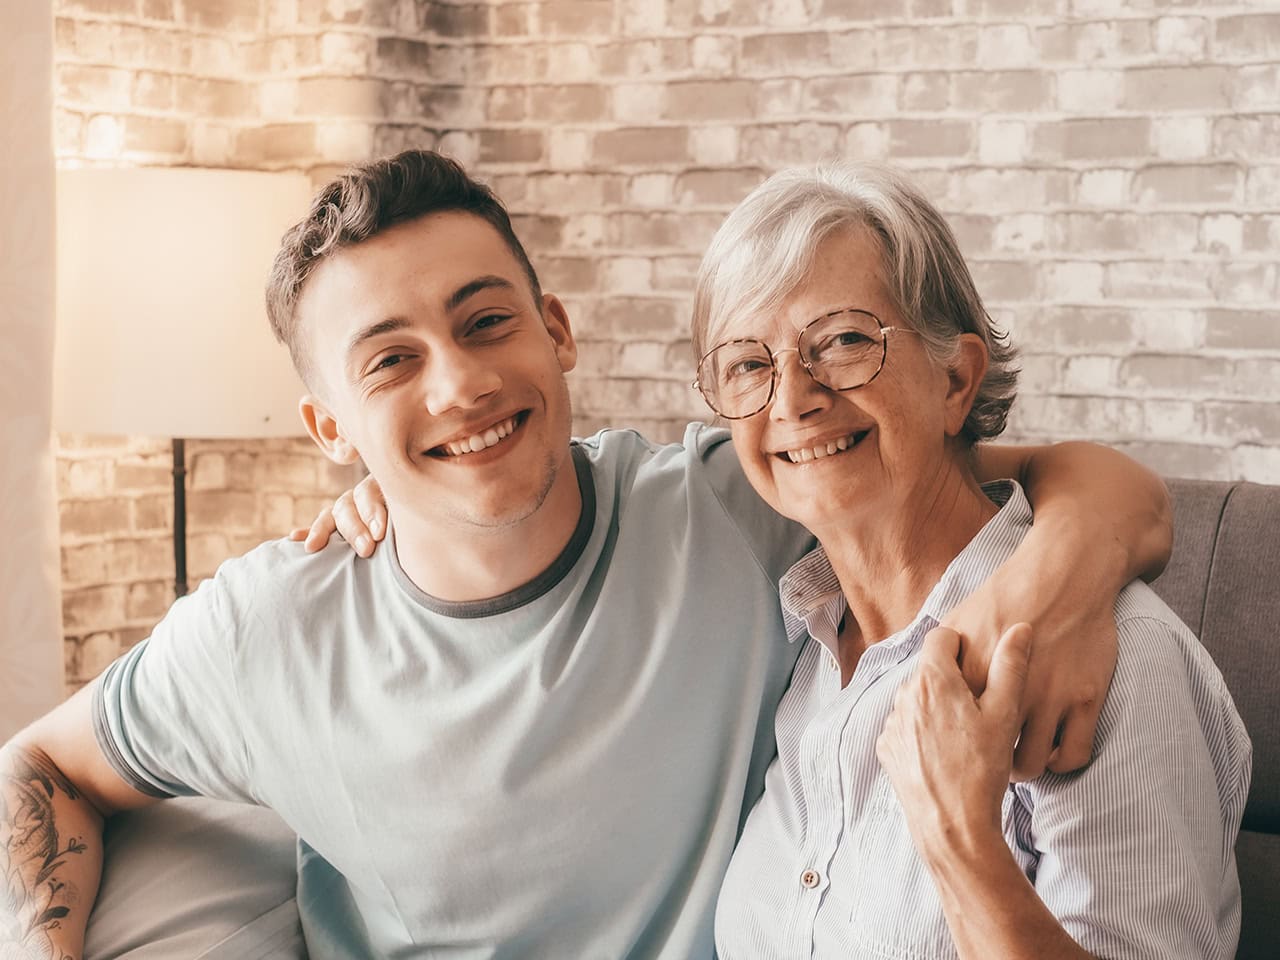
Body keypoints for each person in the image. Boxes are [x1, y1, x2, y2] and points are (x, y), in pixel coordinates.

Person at [1, 151, 1172, 960]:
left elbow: (986, 468)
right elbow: (37, 769)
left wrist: (1053, 581)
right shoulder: (267, 630)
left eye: (485, 321)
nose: (460, 384)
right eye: (389, 361)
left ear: (556, 331)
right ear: (328, 432)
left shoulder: (738, 496)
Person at [679, 163, 1248, 958]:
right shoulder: (801, 649)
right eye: (747, 363)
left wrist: (958, 839)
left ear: (956, 379)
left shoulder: (1107, 661)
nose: (791, 398)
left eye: (842, 341)